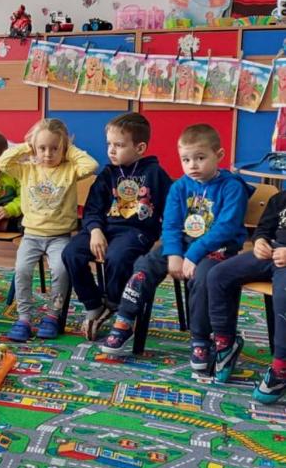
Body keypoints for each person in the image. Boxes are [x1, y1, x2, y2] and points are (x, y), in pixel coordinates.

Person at [100, 124, 249, 374]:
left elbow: (226, 228)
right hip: (182, 245)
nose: (192, 165)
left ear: (219, 155)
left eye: (200, 158)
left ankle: (200, 339)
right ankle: (125, 320)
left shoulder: (232, 187)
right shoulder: (180, 187)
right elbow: (170, 224)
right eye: (186, 160)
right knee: (144, 266)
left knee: (203, 278)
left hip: (218, 247)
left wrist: (192, 255)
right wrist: (174, 254)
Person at [62, 113, 172, 340]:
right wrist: (95, 231)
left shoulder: (155, 174)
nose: (111, 150)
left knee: (118, 257)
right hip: (102, 229)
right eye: (109, 144)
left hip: (136, 232)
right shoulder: (107, 174)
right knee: (71, 252)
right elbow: (92, 208)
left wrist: (167, 237)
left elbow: (173, 207)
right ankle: (94, 303)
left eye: (119, 145)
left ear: (140, 148)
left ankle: (113, 303)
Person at [0, 119, 98, 342]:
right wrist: (27, 147)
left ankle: (53, 315)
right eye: (42, 148)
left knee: (61, 271)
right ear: (35, 148)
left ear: (63, 149)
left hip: (59, 237)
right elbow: (2, 163)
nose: (48, 154)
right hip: (31, 235)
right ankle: (24, 318)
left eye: (55, 148)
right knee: (22, 271)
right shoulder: (26, 169)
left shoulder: (70, 169)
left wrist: (69, 149)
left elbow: (91, 165)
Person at [206, 189, 286, 401]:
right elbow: (264, 229)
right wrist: (260, 242)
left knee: (283, 295)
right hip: (271, 253)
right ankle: (225, 343)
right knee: (218, 275)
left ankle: (281, 368)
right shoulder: (280, 198)